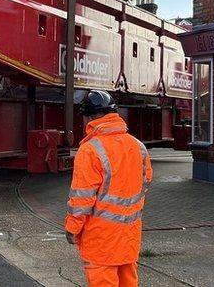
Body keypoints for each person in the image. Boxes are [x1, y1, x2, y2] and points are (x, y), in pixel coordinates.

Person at [66, 91, 152, 287]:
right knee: (128, 281)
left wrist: (72, 229)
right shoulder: (138, 146)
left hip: (101, 239)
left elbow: (82, 200)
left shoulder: (90, 150)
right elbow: (145, 182)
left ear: (90, 117)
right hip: (129, 235)